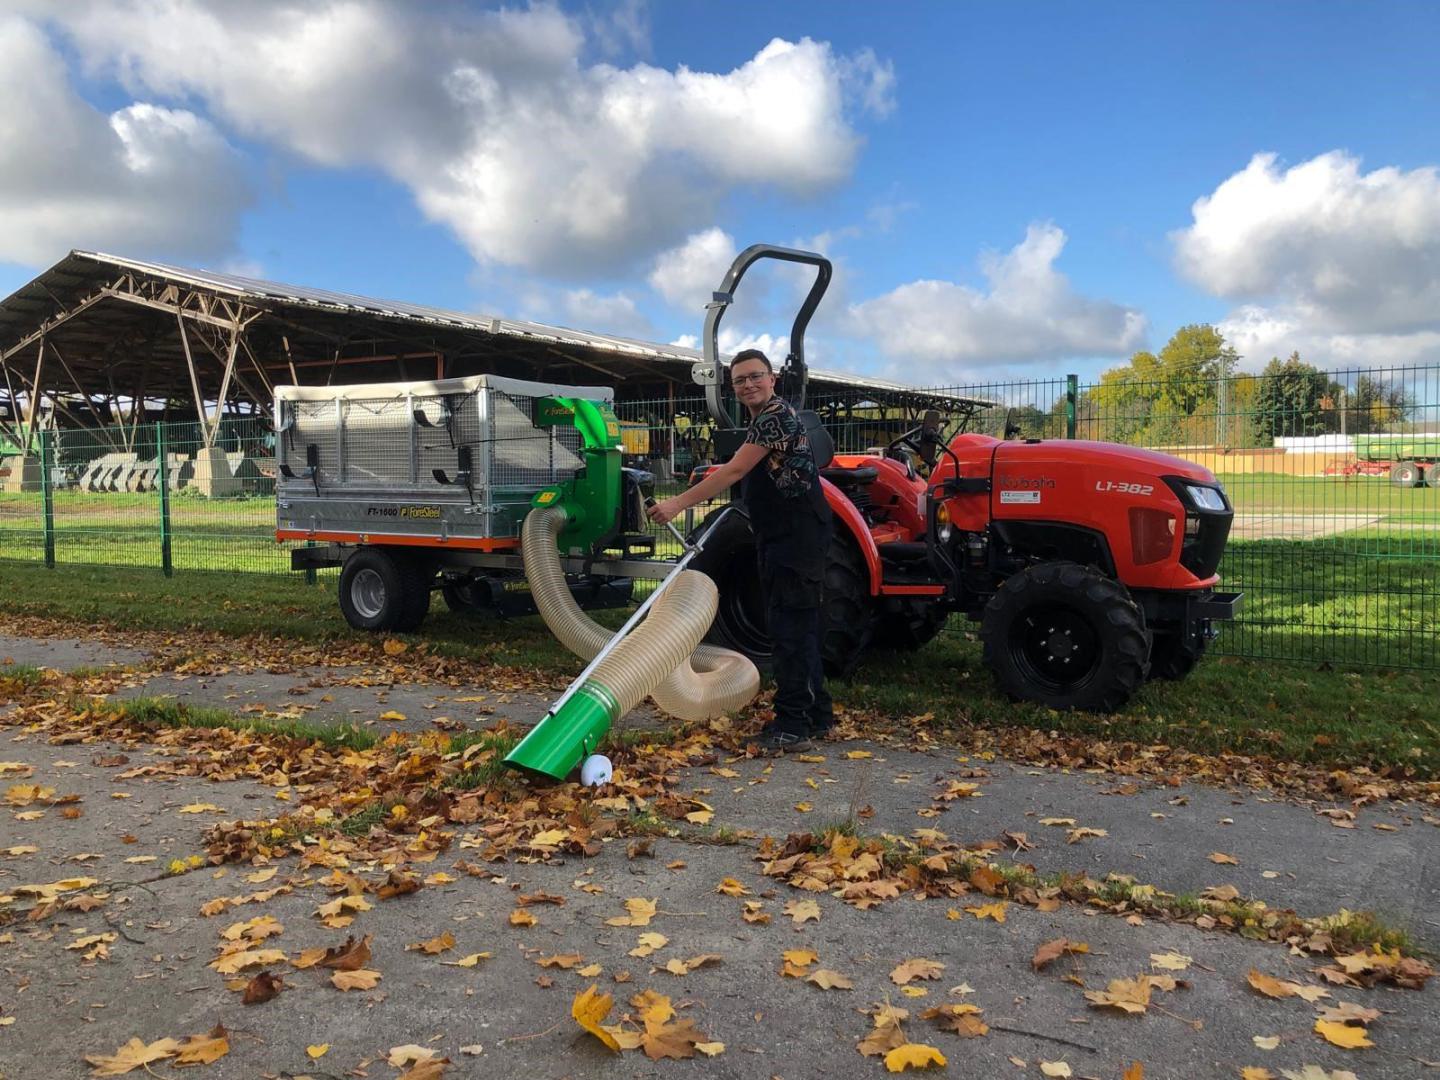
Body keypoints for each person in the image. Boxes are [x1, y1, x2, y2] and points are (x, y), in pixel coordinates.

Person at [648, 348, 834, 751]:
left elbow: (734, 470)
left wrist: (677, 503)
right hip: (780, 533)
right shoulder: (762, 420)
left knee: (790, 629)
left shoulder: (775, 418)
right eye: (740, 380)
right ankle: (817, 715)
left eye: (755, 376)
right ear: (733, 388)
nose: (748, 384)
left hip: (796, 535)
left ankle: (792, 726)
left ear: (772, 379)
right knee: (795, 626)